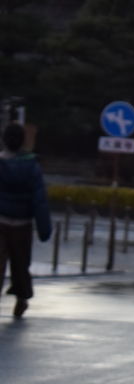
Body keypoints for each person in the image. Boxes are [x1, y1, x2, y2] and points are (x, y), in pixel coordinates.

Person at [0, 122, 53, 318]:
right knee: (20, 264)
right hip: (22, 224)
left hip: (1, 221)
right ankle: (21, 298)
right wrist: (44, 229)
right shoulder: (32, 166)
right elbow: (40, 201)